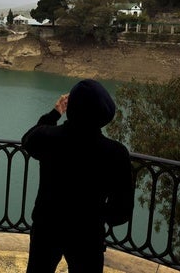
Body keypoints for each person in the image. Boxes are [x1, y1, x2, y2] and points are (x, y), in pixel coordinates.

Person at [21, 79, 134, 273]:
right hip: (87, 234)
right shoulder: (115, 153)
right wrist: (98, 213)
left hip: (47, 227)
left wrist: (55, 112)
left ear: (71, 109)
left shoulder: (49, 138)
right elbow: (121, 211)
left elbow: (29, 139)